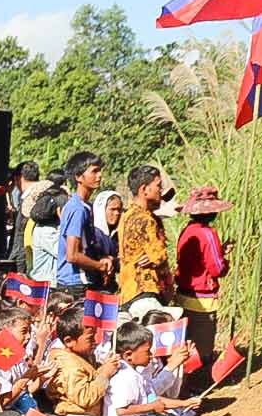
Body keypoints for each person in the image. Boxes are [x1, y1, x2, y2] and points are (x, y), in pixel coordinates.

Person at [173, 185, 233, 382]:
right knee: (203, 344)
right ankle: (199, 382)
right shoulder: (207, 233)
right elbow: (217, 268)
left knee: (188, 339)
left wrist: (220, 251)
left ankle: (188, 379)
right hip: (202, 296)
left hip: (184, 293)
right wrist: (226, 262)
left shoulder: (188, 231)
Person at [116, 165, 174, 318]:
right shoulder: (147, 220)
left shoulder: (126, 216)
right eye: (158, 186)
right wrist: (157, 257)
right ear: (144, 190)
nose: (161, 192)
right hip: (145, 291)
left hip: (127, 291)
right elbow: (159, 256)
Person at [56, 151, 114, 298]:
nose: (99, 175)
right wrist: (99, 266)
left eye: (100, 170)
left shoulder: (83, 206)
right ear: (78, 177)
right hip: (75, 283)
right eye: (94, 171)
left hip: (76, 282)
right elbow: (72, 255)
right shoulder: (77, 209)